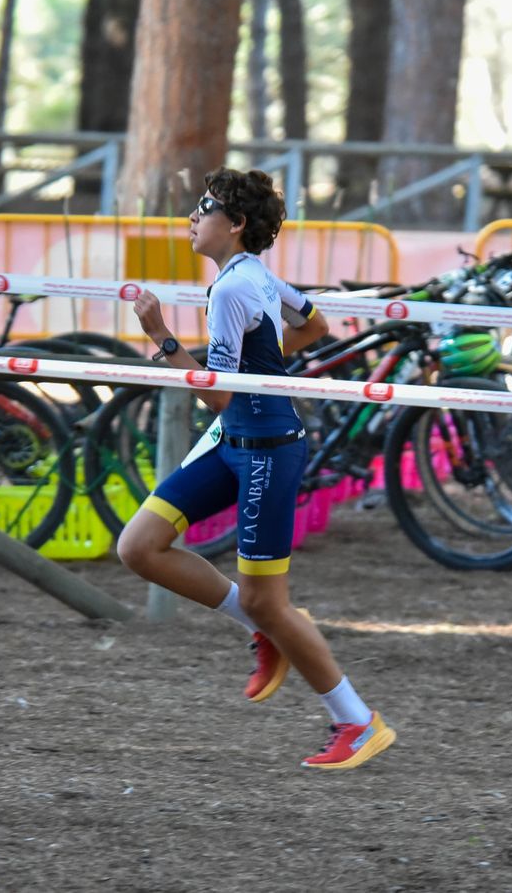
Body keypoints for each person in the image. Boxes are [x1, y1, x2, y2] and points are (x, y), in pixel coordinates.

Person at [120, 168, 396, 770]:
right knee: (140, 546)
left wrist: (161, 336)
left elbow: (217, 394)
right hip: (236, 439)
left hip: (264, 446)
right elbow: (315, 326)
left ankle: (358, 720)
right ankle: (264, 628)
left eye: (204, 207)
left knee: (271, 601)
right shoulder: (256, 277)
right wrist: (265, 370)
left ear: (236, 224)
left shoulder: (230, 291)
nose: (191, 218)